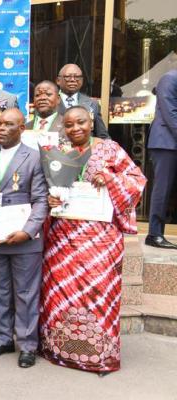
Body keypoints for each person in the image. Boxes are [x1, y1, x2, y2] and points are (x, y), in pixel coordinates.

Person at [41, 106, 146, 375]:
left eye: (81, 123)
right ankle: (59, 349)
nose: (75, 128)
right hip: (63, 238)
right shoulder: (57, 152)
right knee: (61, 293)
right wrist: (51, 199)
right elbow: (46, 187)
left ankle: (97, 355)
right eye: (69, 124)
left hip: (100, 241)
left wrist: (109, 177)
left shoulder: (110, 149)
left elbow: (137, 181)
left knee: (99, 294)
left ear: (91, 122)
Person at [0, 109, 48, 369]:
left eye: (9, 124)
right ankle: (4, 339)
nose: (1, 128)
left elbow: (41, 200)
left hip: (25, 240)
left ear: (21, 128)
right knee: (1, 291)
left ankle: (28, 344)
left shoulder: (34, 158)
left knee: (26, 292)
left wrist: (28, 230)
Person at [146, 69, 177, 249]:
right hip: (166, 143)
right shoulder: (170, 78)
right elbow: (170, 114)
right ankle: (154, 234)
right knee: (162, 190)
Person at [56, 64, 109, 139]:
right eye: (68, 77)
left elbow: (103, 136)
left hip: (85, 149)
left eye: (77, 77)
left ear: (82, 80)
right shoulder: (48, 103)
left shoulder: (92, 104)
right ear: (58, 80)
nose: (73, 80)